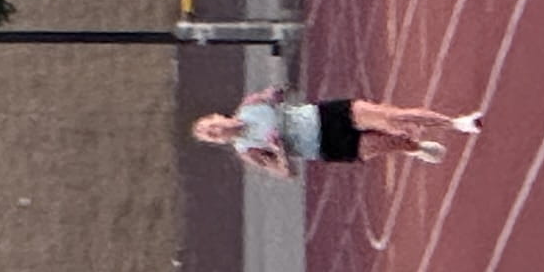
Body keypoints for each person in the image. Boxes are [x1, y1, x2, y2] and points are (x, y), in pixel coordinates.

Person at [196, 87, 480, 173]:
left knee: (393, 117)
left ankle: (457, 123)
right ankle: (415, 148)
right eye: (212, 135)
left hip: (326, 115)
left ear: (218, 116)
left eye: (212, 125)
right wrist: (279, 151)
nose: (217, 130)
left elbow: (278, 93)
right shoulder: (248, 150)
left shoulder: (250, 105)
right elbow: (285, 173)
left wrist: (277, 93)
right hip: (325, 146)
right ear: (218, 142)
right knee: (395, 142)